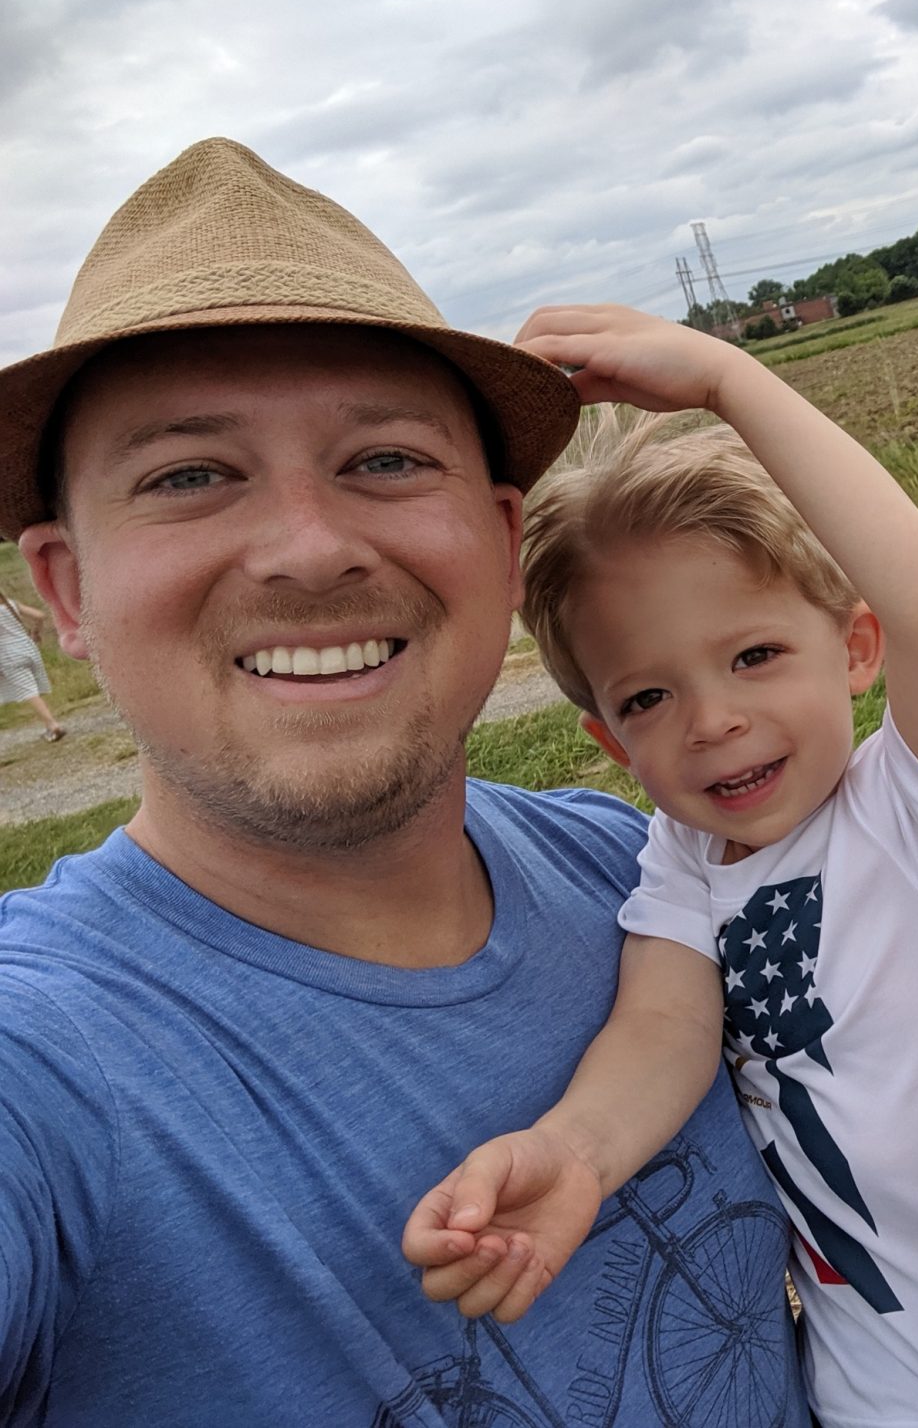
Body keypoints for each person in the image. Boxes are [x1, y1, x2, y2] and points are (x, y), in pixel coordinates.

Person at [0, 139, 808, 1425]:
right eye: (190, 476)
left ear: (497, 540)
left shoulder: (640, 866)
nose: (310, 549)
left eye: (382, 460)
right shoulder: (42, 1057)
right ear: (67, 590)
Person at [400, 306, 918, 1428]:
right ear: (610, 740)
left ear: (857, 650)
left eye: (754, 655)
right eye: (648, 697)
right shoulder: (685, 860)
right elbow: (661, 1031)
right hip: (871, 1384)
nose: (712, 721)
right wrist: (572, 1152)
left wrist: (726, 381)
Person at [0, 590, 62, 740]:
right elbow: (40, 615)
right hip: (28, 648)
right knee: (31, 689)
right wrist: (35, 632)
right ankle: (49, 725)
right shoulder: (11, 605)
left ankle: (53, 725)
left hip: (9, 655)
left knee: (28, 692)